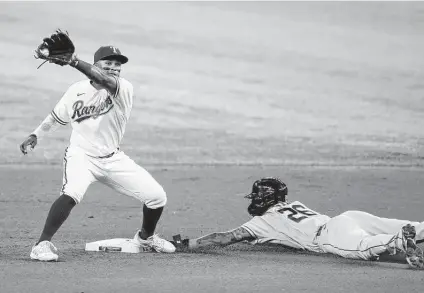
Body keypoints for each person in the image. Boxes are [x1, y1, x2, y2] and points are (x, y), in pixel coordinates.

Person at [20, 31, 175, 261]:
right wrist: (36, 135)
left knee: (157, 197)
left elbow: (103, 80)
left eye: (117, 64)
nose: (114, 67)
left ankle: (145, 238)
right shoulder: (76, 90)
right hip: (81, 156)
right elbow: (56, 116)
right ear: (96, 64)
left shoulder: (123, 88)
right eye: (108, 63)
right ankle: (41, 244)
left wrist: (73, 61)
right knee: (71, 193)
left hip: (113, 159)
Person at [172, 177, 424, 269]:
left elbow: (223, 238)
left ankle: (400, 241)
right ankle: (411, 231)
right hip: (350, 217)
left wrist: (185, 245)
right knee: (401, 223)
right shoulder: (294, 205)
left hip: (331, 233)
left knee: (361, 247)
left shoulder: (264, 221)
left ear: (262, 200)